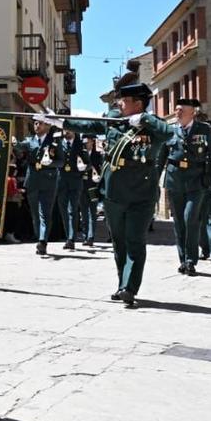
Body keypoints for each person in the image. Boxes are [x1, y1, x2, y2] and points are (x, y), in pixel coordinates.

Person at [64, 83, 173, 308]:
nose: (119, 104)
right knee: (119, 242)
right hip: (113, 193)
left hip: (141, 195)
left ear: (138, 104)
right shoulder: (114, 121)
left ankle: (129, 288)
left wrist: (144, 119)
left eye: (124, 100)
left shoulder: (153, 126)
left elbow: (170, 134)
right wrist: (62, 122)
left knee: (135, 239)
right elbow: (92, 125)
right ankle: (122, 283)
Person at [158, 98, 211, 276]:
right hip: (174, 180)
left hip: (196, 181)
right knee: (178, 222)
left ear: (192, 112)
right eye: (176, 109)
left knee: (190, 219)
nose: (177, 112)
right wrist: (152, 180)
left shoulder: (204, 130)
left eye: (181, 110)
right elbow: (160, 158)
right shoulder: (170, 131)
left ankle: (190, 260)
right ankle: (182, 260)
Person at [14, 117, 63, 255]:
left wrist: (50, 164)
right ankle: (39, 236)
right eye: (35, 123)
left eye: (40, 123)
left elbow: (61, 162)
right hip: (33, 181)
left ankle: (43, 241)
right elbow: (19, 146)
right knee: (35, 214)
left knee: (45, 213)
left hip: (48, 181)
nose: (37, 125)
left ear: (47, 125)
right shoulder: (30, 141)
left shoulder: (54, 141)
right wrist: (14, 142)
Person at [56, 128, 88, 251]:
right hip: (61, 181)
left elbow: (88, 163)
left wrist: (83, 167)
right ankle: (68, 235)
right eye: (64, 129)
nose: (66, 132)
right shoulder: (57, 143)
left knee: (72, 209)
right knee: (63, 209)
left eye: (69, 129)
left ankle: (71, 238)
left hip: (75, 181)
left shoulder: (80, 145)